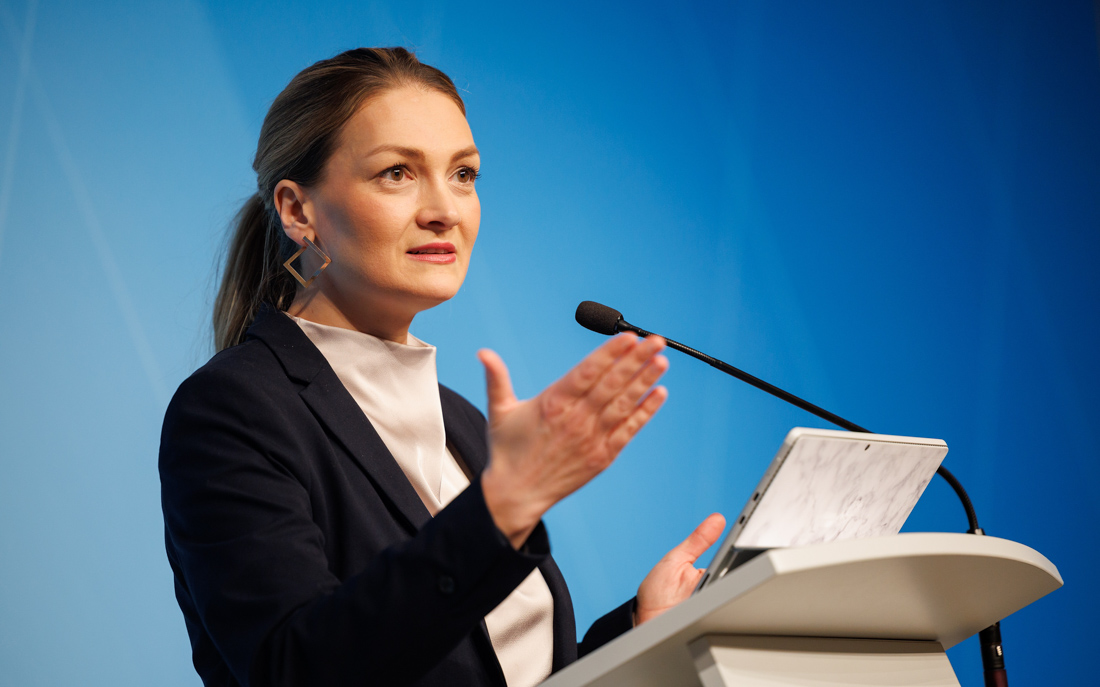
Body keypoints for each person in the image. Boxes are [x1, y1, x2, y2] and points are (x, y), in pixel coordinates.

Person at [160, 47, 725, 687]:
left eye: (464, 174)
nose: (445, 210)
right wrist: (499, 513)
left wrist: (641, 633)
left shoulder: (464, 423)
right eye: (397, 173)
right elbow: (296, 670)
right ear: (298, 211)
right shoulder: (234, 409)